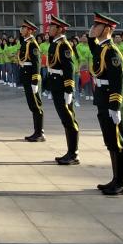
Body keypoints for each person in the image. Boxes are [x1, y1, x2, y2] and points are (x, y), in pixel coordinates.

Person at [88, 13, 123, 195]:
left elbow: (117, 80)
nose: (93, 28)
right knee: (111, 141)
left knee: (118, 142)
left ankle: (122, 182)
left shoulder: (112, 51)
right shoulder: (102, 48)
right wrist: (91, 36)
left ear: (106, 29)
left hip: (113, 100)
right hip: (103, 98)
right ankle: (115, 179)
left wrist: (115, 106)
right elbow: (94, 51)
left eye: (97, 26)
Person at [46, 15, 80, 165]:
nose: (49, 29)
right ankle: (70, 151)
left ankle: (74, 153)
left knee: (69, 119)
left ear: (60, 29)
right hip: (56, 84)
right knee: (65, 119)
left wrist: (69, 89)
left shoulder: (64, 45)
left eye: (52, 27)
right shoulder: (55, 43)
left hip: (62, 85)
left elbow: (69, 68)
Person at [17, 20, 44, 141]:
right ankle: (37, 131)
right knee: (32, 106)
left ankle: (39, 133)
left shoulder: (33, 44)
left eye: (24, 28)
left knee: (36, 105)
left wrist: (35, 81)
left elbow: (36, 63)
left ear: (29, 30)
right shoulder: (26, 42)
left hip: (31, 78)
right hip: (26, 77)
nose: (21, 30)